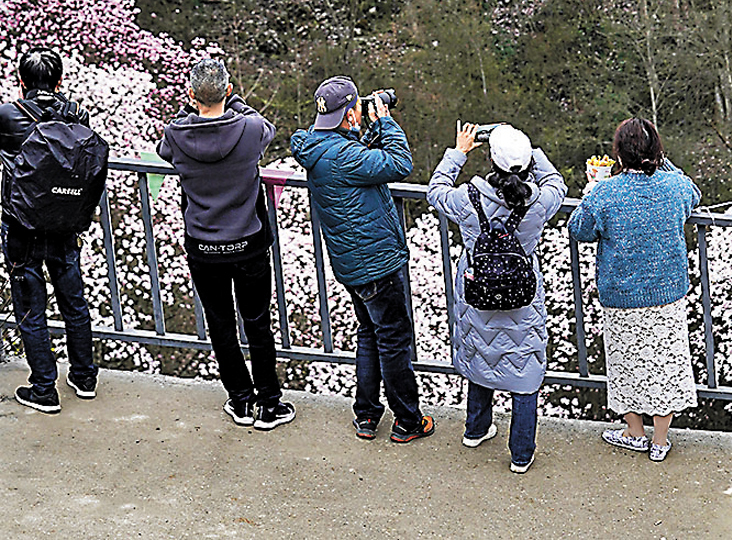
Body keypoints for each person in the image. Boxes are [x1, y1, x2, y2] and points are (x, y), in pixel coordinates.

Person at [291, 76, 434, 443]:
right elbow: (400, 163)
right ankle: (408, 420)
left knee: (369, 333)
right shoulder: (344, 156)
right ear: (348, 113)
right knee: (393, 340)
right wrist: (385, 121)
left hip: (350, 264)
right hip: (377, 263)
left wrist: (357, 129)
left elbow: (351, 156)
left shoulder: (319, 147)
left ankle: (367, 415)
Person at [158, 57, 293, 431]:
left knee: (220, 324)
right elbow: (265, 128)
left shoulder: (176, 134)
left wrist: (194, 110)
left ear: (190, 95)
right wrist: (232, 103)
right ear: (229, 90)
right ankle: (269, 403)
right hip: (248, 243)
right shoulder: (249, 128)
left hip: (203, 245)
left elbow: (163, 153)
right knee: (257, 322)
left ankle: (240, 399)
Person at [427, 122, 566, 473]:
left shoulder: (466, 199)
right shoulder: (537, 202)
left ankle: (476, 428)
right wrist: (530, 150)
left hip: (477, 290)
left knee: (480, 353)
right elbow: (557, 185)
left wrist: (458, 151)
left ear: (491, 159)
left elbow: (435, 190)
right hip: (522, 295)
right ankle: (520, 454)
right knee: (524, 368)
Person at [567, 116, 700, 462]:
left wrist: (594, 189)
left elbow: (578, 228)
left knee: (626, 363)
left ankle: (634, 432)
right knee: (665, 363)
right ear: (657, 150)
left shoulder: (607, 193)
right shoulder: (674, 187)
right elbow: (694, 193)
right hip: (667, 293)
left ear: (618, 154)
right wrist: (660, 160)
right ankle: (659, 441)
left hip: (622, 295)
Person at [0, 47, 99, 413]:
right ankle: (84, 376)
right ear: (59, 82)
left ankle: (44, 387)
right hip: (64, 222)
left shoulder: (8, 115)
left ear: (21, 82)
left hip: (21, 224)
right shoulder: (77, 115)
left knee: (30, 305)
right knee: (73, 300)